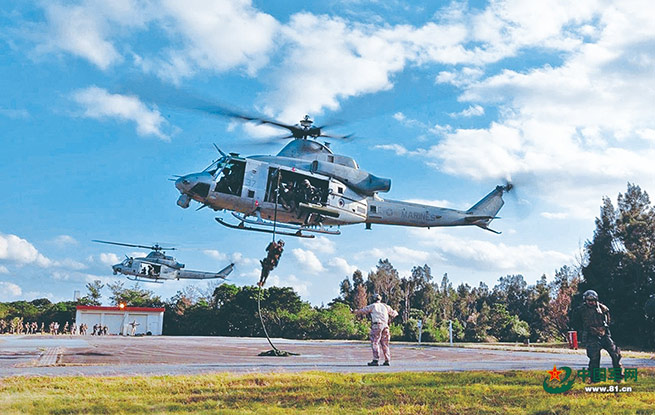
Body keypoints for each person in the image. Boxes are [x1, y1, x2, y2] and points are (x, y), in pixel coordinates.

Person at [577, 289, 622, 382]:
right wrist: (584, 331)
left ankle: (618, 376)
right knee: (594, 358)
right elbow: (575, 322)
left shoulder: (603, 308)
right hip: (591, 335)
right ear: (585, 300)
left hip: (604, 334)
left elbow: (609, 320)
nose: (591, 302)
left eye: (593, 300)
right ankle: (594, 379)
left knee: (615, 354)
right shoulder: (580, 310)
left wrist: (604, 329)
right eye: (589, 300)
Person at [354, 294, 398, 366]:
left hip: (377, 325)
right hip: (385, 326)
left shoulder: (373, 306)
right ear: (380, 299)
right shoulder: (385, 306)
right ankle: (387, 360)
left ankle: (375, 360)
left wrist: (354, 311)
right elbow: (394, 314)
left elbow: (363, 311)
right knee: (385, 344)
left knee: (375, 342)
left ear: (373, 299)